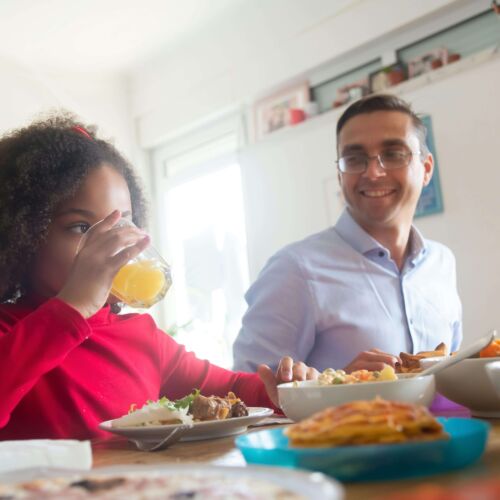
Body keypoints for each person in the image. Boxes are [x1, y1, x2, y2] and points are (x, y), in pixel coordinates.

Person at [0, 114, 318, 441]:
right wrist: (75, 305)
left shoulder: (143, 337)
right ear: (23, 237)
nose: (108, 243)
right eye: (81, 228)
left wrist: (286, 390)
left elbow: (235, 389)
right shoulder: (9, 331)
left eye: (121, 224)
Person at [233, 94, 462, 374]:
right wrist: (339, 386)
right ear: (341, 174)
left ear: (426, 169)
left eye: (393, 154)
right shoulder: (293, 270)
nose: (374, 172)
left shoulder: (442, 262)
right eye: (355, 159)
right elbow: (246, 397)